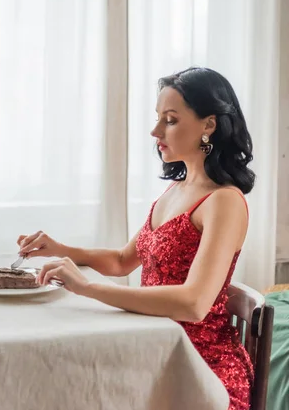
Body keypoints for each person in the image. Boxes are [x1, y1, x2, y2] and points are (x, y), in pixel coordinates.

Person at [17, 67, 255, 410]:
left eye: (170, 120)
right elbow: (121, 261)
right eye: (158, 118)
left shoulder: (225, 201)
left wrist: (86, 288)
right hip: (154, 352)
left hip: (202, 374)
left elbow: (194, 303)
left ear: (209, 124)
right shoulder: (174, 191)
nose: (155, 130)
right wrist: (60, 250)